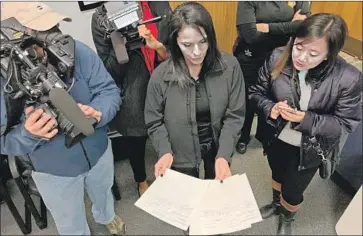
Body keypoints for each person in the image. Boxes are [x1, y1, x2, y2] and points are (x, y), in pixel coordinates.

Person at [0, 2, 125, 235]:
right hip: (53, 171)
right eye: (40, 33)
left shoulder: (77, 51)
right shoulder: (4, 81)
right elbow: (3, 141)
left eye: (53, 26)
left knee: (103, 191)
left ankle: (106, 215)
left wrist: (98, 113)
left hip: (98, 150)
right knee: (69, 221)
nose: (53, 37)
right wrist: (28, 135)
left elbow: (108, 91)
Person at [249, 13, 362, 235]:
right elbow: (256, 92)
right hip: (277, 135)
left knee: (293, 189)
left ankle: (287, 216)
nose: (301, 57)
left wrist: (306, 119)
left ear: (330, 54)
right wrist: (270, 107)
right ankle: (276, 204)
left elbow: (345, 123)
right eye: (299, 47)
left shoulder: (349, 78)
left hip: (311, 146)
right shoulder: (277, 57)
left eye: (313, 54)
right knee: (277, 173)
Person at [145, 2, 245, 181]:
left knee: (214, 196)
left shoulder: (230, 67)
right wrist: (164, 150)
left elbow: (235, 115)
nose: (197, 52)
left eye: (203, 42)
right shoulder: (161, 76)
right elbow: (154, 121)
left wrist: (224, 154)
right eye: (187, 45)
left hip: (217, 145)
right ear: (175, 42)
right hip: (179, 151)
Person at [91, 1, 171, 196]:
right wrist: (120, 45)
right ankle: (141, 179)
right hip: (133, 82)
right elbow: (108, 70)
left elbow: (173, 43)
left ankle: (173, 171)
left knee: (173, 126)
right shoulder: (100, 18)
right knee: (136, 132)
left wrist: (158, 46)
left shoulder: (158, 4)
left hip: (165, 75)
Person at [233, 1, 311, 155]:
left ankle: (264, 135)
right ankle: (243, 135)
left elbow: (303, 26)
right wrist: (289, 26)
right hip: (251, 57)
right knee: (249, 97)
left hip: (281, 56)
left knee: (273, 95)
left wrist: (266, 27)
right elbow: (249, 35)